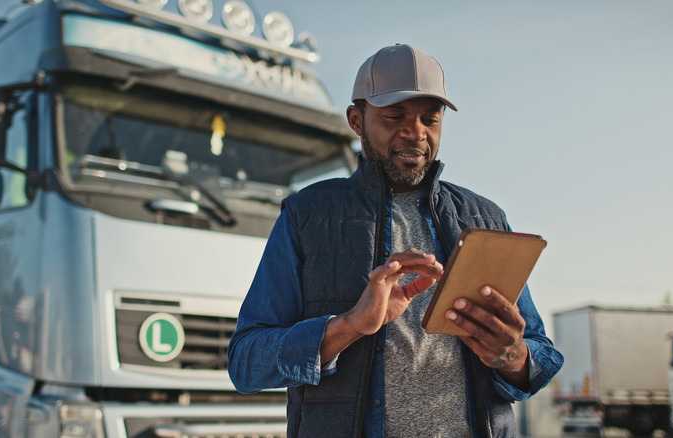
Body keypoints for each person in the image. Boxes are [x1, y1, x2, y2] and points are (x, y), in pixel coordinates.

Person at [227, 43, 564, 437]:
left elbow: (540, 356)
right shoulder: (306, 215)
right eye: (394, 116)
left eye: (430, 118)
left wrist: (514, 356)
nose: (415, 132)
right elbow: (246, 362)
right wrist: (349, 325)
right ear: (357, 120)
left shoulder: (486, 219)